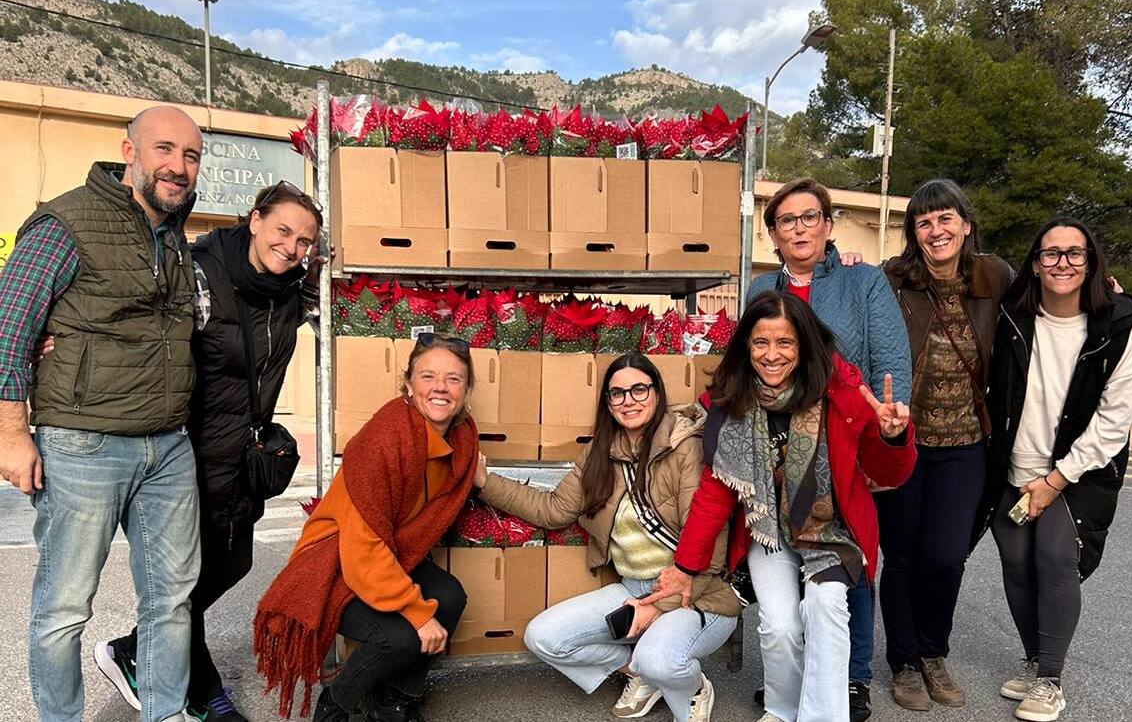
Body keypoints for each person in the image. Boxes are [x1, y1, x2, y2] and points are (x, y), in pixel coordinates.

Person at [0, 106, 204, 722]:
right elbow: (10, 327)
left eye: (191, 155)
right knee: (64, 608)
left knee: (171, 601)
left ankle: (164, 712)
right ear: (129, 151)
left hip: (167, 447)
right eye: (164, 149)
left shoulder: (173, 233)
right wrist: (11, 431)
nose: (178, 165)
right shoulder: (67, 222)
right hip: (82, 444)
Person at [92, 181, 323, 722]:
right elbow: (130, 317)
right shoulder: (199, 270)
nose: (291, 247)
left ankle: (133, 647)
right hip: (184, 453)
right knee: (184, 580)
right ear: (255, 218)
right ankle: (206, 695)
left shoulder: (293, 291)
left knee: (234, 561)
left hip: (242, 456)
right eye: (283, 230)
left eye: (304, 241)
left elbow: (349, 286)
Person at [647, 290, 916, 722]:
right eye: (760, 343)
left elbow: (889, 474)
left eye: (785, 343)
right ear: (746, 346)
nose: (771, 355)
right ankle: (782, 707)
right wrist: (686, 566)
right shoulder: (731, 401)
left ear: (804, 344)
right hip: (767, 529)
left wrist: (892, 436)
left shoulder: (843, 394)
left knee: (826, 606)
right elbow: (716, 493)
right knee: (779, 626)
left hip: (830, 530)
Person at [473, 352, 741, 722]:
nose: (628, 400)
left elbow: (710, 551)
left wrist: (654, 608)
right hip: (634, 587)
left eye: (638, 390)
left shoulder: (686, 448)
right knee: (544, 637)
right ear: (607, 403)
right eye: (617, 394)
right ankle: (638, 672)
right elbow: (554, 510)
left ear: (657, 393)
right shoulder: (600, 452)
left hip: (697, 594)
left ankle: (692, 687)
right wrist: (485, 483)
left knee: (661, 660)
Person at [748, 176, 912, 722]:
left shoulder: (861, 281)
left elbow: (889, 356)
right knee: (797, 567)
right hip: (782, 448)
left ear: (827, 224)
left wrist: (886, 427)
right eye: (786, 220)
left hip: (848, 440)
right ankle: (802, 679)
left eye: (809, 217)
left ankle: (853, 679)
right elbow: (747, 364)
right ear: (772, 233)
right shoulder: (761, 291)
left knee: (850, 567)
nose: (799, 228)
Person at [973, 217, 1132, 722]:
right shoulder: (1014, 318)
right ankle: (1034, 660)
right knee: (1016, 565)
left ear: (1091, 263)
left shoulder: (1117, 328)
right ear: (1035, 264)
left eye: (1075, 253)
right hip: (1012, 466)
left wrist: (1057, 479)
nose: (1063, 263)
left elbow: (1119, 417)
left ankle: (1050, 679)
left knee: (1054, 559)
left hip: (1076, 473)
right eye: (1051, 253)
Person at [253, 334, 479, 722]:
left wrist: (481, 476)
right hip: (336, 563)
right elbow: (362, 549)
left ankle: (393, 700)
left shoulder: (462, 438)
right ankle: (336, 706)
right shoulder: (385, 440)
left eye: (454, 379)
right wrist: (416, 612)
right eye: (428, 376)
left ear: (467, 388)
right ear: (408, 384)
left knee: (450, 596)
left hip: (391, 552)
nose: (440, 387)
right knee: (400, 637)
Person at [876, 179, 1012, 711]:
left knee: (946, 555)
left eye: (945, 218)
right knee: (903, 555)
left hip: (966, 443)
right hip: (905, 441)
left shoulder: (994, 275)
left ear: (966, 223)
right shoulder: (893, 279)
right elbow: (847, 300)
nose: (936, 230)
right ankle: (905, 665)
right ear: (914, 232)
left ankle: (934, 653)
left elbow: (1048, 299)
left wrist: (1105, 298)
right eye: (924, 222)